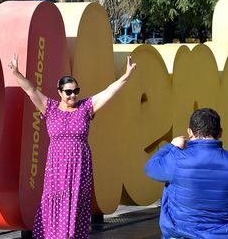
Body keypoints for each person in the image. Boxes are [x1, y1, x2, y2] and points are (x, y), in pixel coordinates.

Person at [8, 53, 136, 239]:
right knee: (55, 202)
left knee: (76, 204)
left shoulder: (85, 108)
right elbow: (31, 91)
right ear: (59, 92)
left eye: (76, 91)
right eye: (68, 92)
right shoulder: (49, 107)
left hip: (79, 168)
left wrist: (127, 75)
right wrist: (16, 73)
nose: (73, 95)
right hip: (57, 168)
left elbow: (109, 91)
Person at [145, 108, 228, 239]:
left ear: (189, 132)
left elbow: (151, 168)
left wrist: (172, 146)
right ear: (221, 132)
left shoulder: (177, 159)